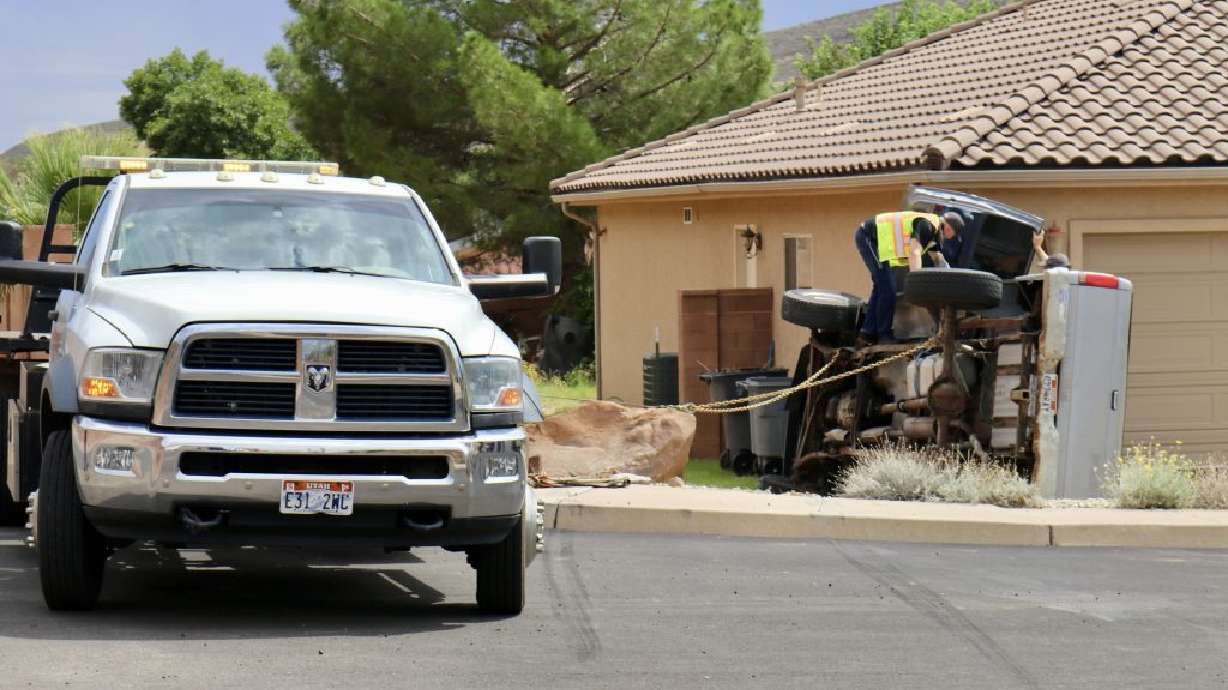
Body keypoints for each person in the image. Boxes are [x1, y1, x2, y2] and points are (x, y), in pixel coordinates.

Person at [854, 210, 965, 344]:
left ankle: (867, 333)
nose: (951, 238)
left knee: (882, 286)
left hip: (875, 240)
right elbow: (915, 251)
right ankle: (884, 335)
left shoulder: (933, 236)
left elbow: (938, 259)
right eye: (952, 234)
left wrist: (953, 281)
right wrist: (916, 283)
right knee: (888, 288)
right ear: (948, 228)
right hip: (869, 236)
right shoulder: (927, 226)